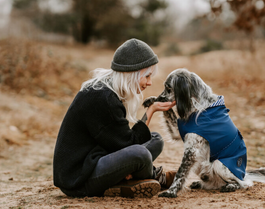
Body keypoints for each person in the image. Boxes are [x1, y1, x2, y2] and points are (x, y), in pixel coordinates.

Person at [53, 38, 176, 198]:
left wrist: (152, 109)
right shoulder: (103, 98)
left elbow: (121, 143)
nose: (149, 82)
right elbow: (129, 145)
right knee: (141, 154)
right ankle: (154, 177)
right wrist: (151, 110)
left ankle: (127, 180)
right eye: (146, 76)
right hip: (79, 178)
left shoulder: (107, 90)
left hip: (96, 158)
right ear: (132, 74)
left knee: (155, 139)